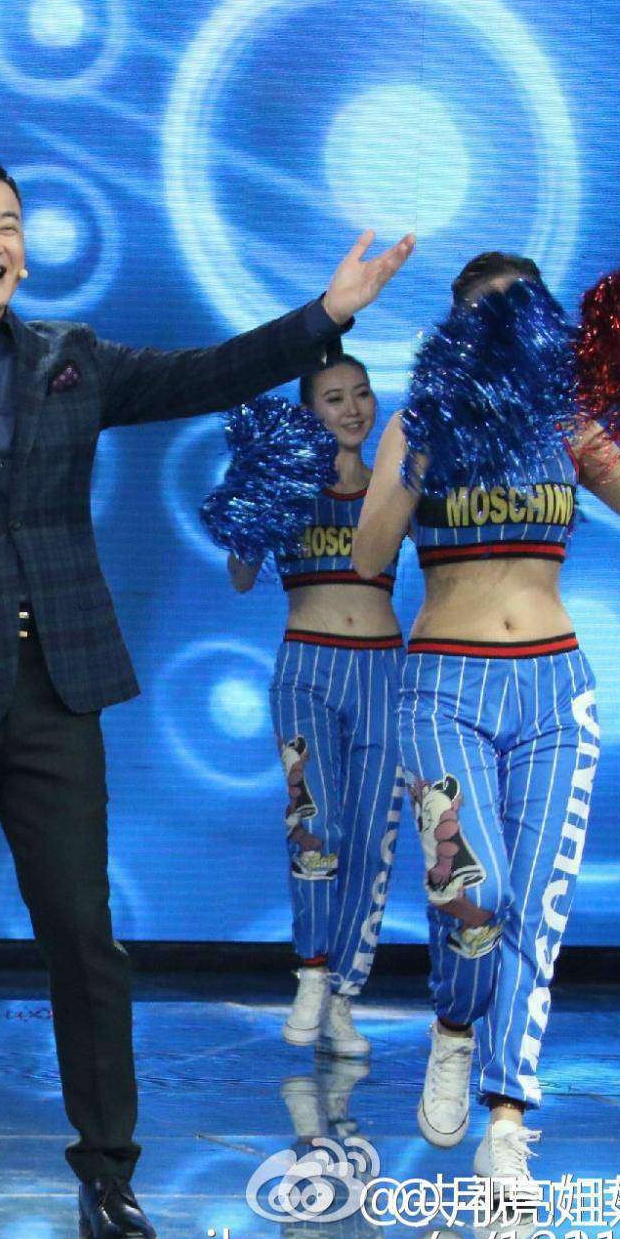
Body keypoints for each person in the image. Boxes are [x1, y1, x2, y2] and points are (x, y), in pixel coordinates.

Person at [0, 149, 412, 1239]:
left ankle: (108, 1173)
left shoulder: (70, 359)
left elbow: (209, 374)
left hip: (59, 688)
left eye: (8, 223)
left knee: (84, 938)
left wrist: (326, 316)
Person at [351, 250, 620, 1228]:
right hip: (443, 686)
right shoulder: (419, 423)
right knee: (474, 892)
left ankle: (506, 1120)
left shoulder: (567, 425)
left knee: (536, 908)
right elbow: (370, 554)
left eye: (518, 306)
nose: (502, 322)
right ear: (453, 327)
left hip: (554, 690)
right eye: (483, 309)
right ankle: (452, 1020)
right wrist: (417, 451)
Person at [227, 357, 402, 1056]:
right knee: (314, 822)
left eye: (362, 394)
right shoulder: (288, 485)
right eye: (334, 398)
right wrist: (253, 492)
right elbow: (241, 578)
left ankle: (343, 997)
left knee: (372, 839)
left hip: (384, 672)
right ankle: (310, 971)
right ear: (310, 412)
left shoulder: (395, 487)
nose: (353, 408)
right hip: (306, 669)